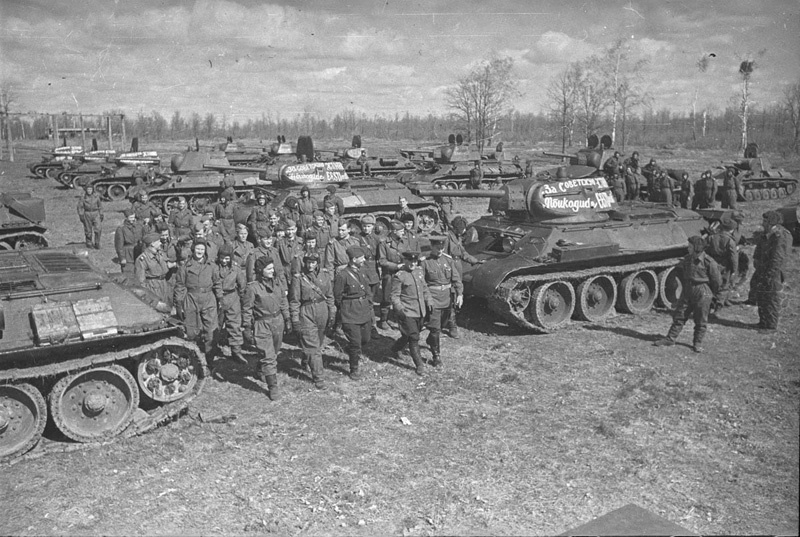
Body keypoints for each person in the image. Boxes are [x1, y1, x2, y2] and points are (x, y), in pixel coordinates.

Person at [653, 236, 721, 353]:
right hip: (688, 289)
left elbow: (717, 281)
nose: (688, 248)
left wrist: (710, 294)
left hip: (702, 291)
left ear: (697, 248)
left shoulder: (709, 262)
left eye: (690, 246)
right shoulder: (687, 259)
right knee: (680, 315)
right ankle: (670, 338)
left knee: (701, 319)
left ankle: (697, 343)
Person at [242, 256, 290, 401]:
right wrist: (247, 327)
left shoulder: (277, 284)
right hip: (262, 324)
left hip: (278, 322)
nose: (272, 270)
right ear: (260, 270)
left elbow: (283, 301)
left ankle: (260, 369)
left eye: (272, 268)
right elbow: (247, 309)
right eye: (268, 269)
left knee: (273, 352)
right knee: (269, 357)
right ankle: (273, 387)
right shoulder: (253, 287)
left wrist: (287, 318)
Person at [290, 252, 335, 389]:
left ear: (318, 263)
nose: (310, 265)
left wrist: (332, 312)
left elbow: (329, 295)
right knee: (313, 347)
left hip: (322, 310)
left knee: (319, 342)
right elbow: (294, 301)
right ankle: (318, 378)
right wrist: (295, 319)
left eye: (313, 262)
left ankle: (306, 359)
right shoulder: (298, 278)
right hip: (306, 311)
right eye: (308, 262)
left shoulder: (325, 275)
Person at [174, 240, 221, 362]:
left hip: (208, 298)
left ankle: (209, 359)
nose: (200, 251)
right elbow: (180, 285)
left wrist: (220, 299)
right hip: (191, 298)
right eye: (197, 249)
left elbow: (217, 283)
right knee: (191, 332)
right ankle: (194, 360)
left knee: (210, 330)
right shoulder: (185, 266)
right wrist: (179, 303)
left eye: (202, 249)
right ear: (193, 249)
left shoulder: (211, 266)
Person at [333, 246, 374, 380]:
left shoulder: (362, 271)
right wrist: (345, 308)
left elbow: (367, 288)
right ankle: (354, 369)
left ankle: (352, 349)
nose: (363, 260)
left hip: (364, 310)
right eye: (361, 258)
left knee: (366, 339)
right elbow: (337, 296)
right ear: (354, 259)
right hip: (350, 311)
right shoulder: (342, 275)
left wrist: (368, 301)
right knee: (356, 342)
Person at [421, 236, 463, 367]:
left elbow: (456, 279)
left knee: (443, 324)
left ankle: (431, 339)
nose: (440, 250)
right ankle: (436, 356)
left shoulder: (448, 260)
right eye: (437, 248)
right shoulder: (425, 262)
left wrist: (460, 294)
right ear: (432, 247)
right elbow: (421, 282)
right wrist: (427, 299)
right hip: (433, 298)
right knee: (435, 329)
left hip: (446, 298)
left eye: (442, 248)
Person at [390, 250, 433, 375]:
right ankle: (419, 365)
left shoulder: (419, 272)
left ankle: (395, 348)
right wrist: (399, 309)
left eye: (415, 261)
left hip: (420, 311)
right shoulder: (400, 276)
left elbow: (424, 288)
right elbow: (394, 296)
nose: (413, 264)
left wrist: (429, 301)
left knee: (408, 335)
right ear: (405, 261)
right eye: (410, 261)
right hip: (407, 311)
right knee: (414, 337)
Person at [443, 216, 484, 338]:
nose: (464, 231)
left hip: (457, 266)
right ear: (456, 228)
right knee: (451, 295)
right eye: (462, 229)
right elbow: (443, 255)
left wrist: (475, 260)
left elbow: (462, 252)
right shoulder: (447, 238)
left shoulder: (457, 238)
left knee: (456, 294)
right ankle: (452, 326)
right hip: (450, 268)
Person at [751, 211, 793, 331]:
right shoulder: (768, 232)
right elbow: (760, 246)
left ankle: (770, 326)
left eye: (765, 221)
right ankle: (763, 322)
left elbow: (777, 258)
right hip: (763, 269)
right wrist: (757, 260)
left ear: (771, 222)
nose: (762, 223)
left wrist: (769, 274)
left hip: (773, 272)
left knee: (772, 298)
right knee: (762, 295)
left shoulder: (781, 236)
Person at [214, 244, 247, 365]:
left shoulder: (236, 268)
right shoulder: (213, 267)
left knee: (234, 325)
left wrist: (242, 301)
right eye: (222, 258)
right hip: (217, 299)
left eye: (227, 258)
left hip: (232, 297)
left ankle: (236, 352)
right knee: (215, 325)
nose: (224, 261)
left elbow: (242, 285)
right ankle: (212, 349)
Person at [377, 220, 410, 329]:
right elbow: (382, 261)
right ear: (394, 231)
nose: (403, 233)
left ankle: (398, 318)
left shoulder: (404, 241)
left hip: (402, 273)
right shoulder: (383, 242)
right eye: (401, 231)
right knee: (387, 297)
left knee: (401, 296)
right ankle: (383, 319)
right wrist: (396, 266)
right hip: (389, 274)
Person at [706, 214, 739, 312]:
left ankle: (709, 306)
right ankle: (718, 308)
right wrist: (734, 269)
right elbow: (733, 257)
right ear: (731, 230)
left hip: (712, 264)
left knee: (712, 284)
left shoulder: (711, 237)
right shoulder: (730, 241)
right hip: (725, 265)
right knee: (724, 286)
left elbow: (706, 251)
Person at [356, 214, 382, 331]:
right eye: (364, 226)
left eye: (368, 226)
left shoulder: (377, 239)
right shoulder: (358, 238)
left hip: (374, 270)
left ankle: (370, 323)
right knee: (366, 299)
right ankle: (372, 325)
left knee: (372, 297)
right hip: (362, 269)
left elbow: (380, 255)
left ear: (373, 226)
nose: (366, 228)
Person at [134, 232, 170, 306]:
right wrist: (149, 296)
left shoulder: (160, 253)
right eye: (159, 241)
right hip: (153, 287)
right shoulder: (142, 259)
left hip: (164, 284)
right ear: (152, 244)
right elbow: (141, 282)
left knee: (166, 307)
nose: (160, 243)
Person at [114, 208, 143, 274]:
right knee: (128, 273)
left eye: (133, 217)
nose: (133, 219)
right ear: (126, 217)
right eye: (130, 217)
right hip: (128, 254)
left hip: (139, 252)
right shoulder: (121, 229)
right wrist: (122, 258)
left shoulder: (139, 226)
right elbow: (119, 245)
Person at [77, 183, 103, 249]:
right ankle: (89, 243)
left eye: (90, 189)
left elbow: (100, 206)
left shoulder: (96, 196)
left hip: (95, 213)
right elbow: (80, 207)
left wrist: (101, 214)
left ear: (93, 190)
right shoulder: (83, 197)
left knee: (98, 229)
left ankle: (97, 242)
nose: (89, 191)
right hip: (87, 213)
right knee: (88, 230)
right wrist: (81, 215)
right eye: (88, 189)